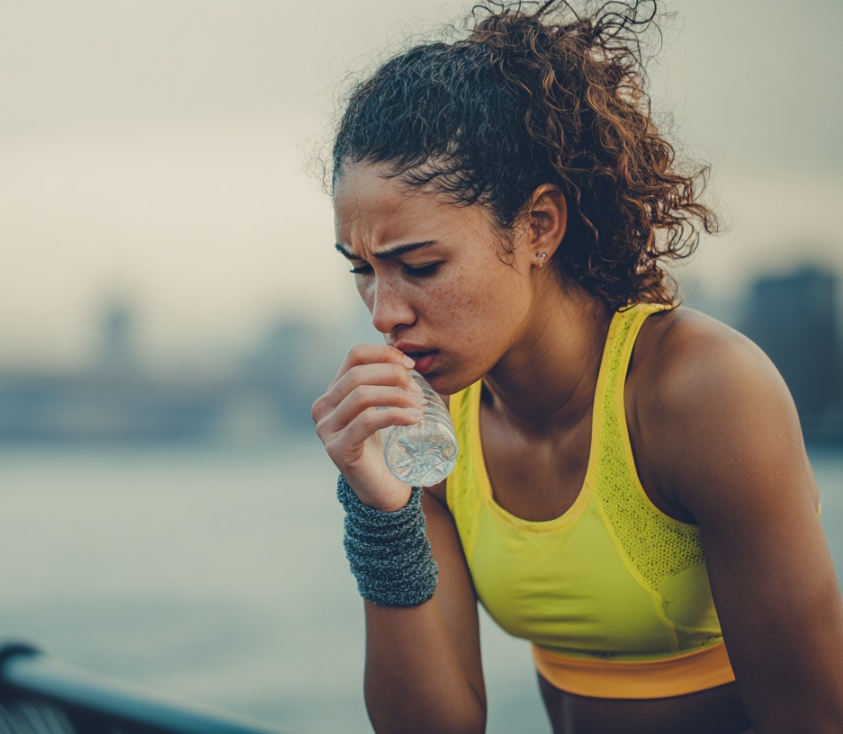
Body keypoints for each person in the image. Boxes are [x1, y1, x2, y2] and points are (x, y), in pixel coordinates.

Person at [309, 1, 843, 732]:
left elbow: (812, 717)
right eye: (363, 270)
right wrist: (381, 514)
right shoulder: (430, 429)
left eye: (421, 266)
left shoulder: (704, 393)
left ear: (538, 227)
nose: (384, 312)